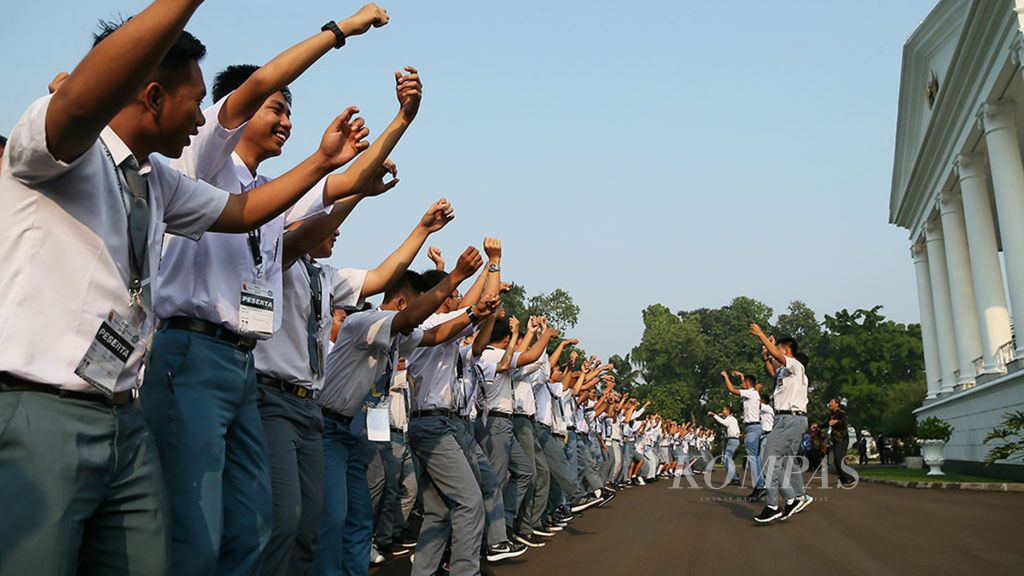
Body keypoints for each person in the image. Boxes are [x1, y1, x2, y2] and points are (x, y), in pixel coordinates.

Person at [0, 1, 354, 572]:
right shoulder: (60, 148)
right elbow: (83, 98)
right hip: (43, 406)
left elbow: (242, 212)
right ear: (152, 95)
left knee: (166, 554)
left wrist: (321, 164)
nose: (202, 119)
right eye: (195, 103)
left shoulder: (156, 179)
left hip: (119, 410)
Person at [312, 247, 496, 576]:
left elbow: (435, 334)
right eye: (420, 307)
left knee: (359, 519)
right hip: (326, 426)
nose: (423, 316)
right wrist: (455, 275)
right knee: (332, 519)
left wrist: (472, 315)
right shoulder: (364, 321)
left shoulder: (401, 337)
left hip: (352, 431)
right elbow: (415, 321)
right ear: (401, 303)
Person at [749, 324, 813, 524]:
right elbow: (774, 369)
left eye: (778, 347)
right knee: (783, 463)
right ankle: (792, 499)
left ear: (787, 350)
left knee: (769, 459)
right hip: (786, 420)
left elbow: (777, 356)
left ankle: (773, 505)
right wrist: (766, 357)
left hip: (790, 419)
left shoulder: (796, 365)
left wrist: (761, 336)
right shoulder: (786, 373)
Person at [722, 370, 765, 499]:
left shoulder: (750, 393)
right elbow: (745, 386)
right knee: (755, 458)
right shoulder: (753, 393)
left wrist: (726, 377)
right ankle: (760, 485)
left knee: (752, 458)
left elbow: (731, 389)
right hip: (754, 427)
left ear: (747, 384)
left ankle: (760, 487)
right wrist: (741, 376)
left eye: (744, 382)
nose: (743, 384)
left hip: (752, 428)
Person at [707, 405, 741, 486]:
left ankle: (735, 478)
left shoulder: (730, 419)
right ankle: (734, 476)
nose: (723, 411)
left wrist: (714, 415)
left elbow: (724, 422)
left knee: (727, 460)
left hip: (733, 440)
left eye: (724, 410)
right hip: (732, 440)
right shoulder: (731, 419)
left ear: (728, 411)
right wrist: (719, 415)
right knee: (727, 460)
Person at [825, 397, 855, 485]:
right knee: (837, 460)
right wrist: (817, 426)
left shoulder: (841, 413)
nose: (830, 404)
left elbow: (844, 421)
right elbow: (827, 423)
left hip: (842, 439)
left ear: (837, 404)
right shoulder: (832, 414)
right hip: (835, 439)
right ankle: (843, 478)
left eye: (831, 402)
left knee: (839, 459)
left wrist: (837, 421)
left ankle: (850, 478)